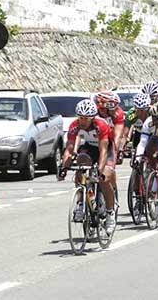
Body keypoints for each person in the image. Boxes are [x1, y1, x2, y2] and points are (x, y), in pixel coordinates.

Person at [59, 100, 117, 234]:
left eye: (86, 118)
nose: (83, 121)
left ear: (92, 118)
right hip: (89, 148)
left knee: (104, 178)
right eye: (81, 118)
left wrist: (100, 171)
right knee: (80, 166)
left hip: (106, 150)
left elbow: (103, 152)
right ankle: (81, 202)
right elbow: (69, 149)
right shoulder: (74, 126)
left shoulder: (101, 125)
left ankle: (110, 213)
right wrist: (63, 167)